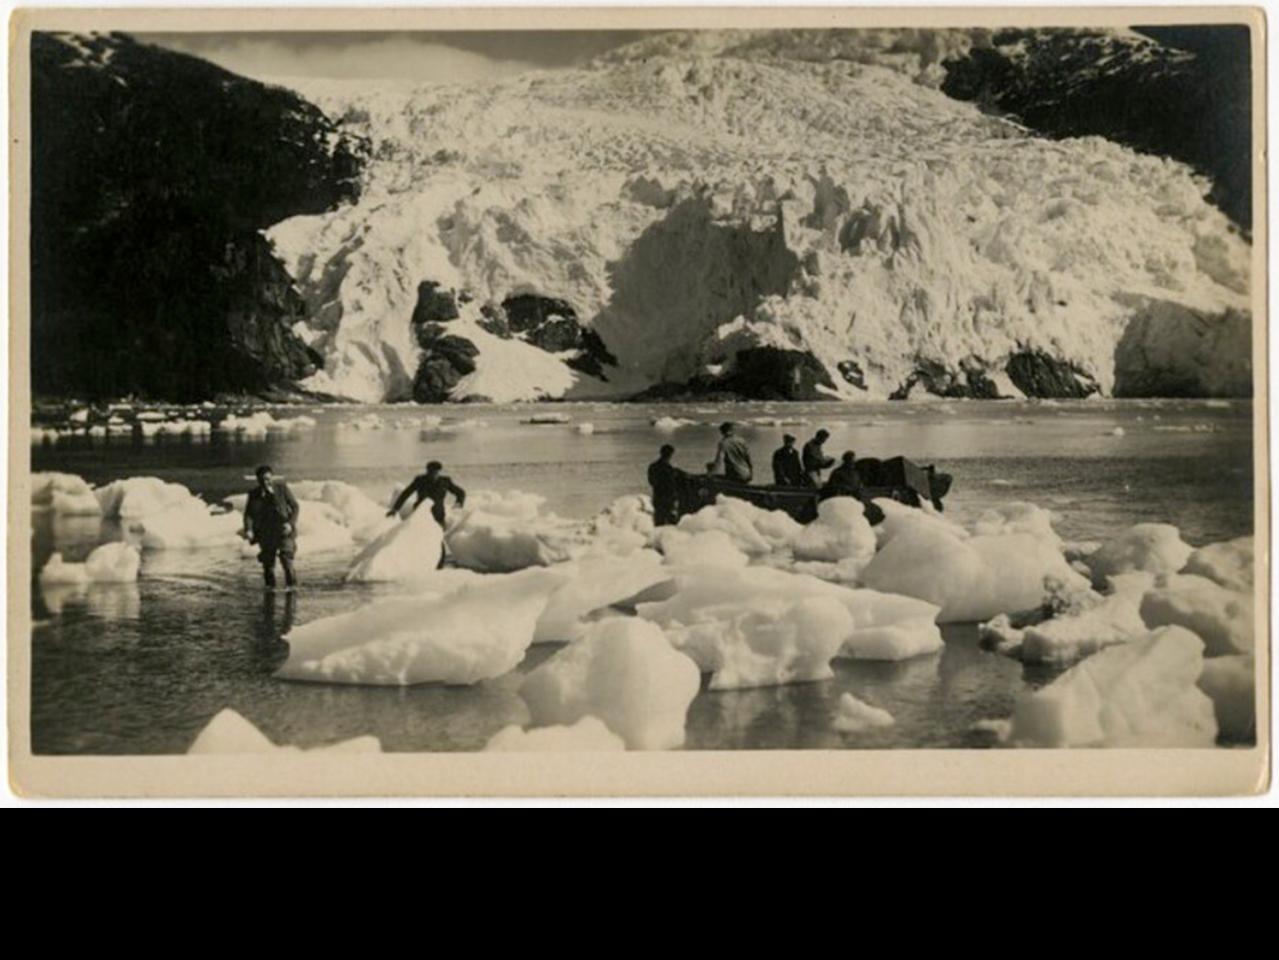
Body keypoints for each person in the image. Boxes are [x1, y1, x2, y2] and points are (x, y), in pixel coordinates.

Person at [243, 464, 300, 591]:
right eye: (262, 480)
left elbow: (295, 506)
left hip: (283, 530)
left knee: (286, 559)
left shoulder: (281, 489)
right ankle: (270, 590)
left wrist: (290, 524)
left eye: (268, 479)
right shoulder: (254, 494)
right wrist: (249, 529)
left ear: (272, 478)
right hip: (266, 532)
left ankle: (292, 588)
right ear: (258, 480)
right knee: (268, 564)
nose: (265, 482)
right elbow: (249, 514)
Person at [387, 461, 467, 528]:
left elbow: (461, 493)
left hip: (438, 516)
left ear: (439, 472)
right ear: (427, 471)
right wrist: (395, 509)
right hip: (420, 515)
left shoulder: (445, 481)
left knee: (439, 541)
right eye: (431, 472)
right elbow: (406, 494)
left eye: (436, 472)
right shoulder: (420, 481)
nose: (433, 475)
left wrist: (459, 503)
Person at [648, 444, 682, 527]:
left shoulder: (653, 467)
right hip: (668, 499)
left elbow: (651, 481)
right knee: (670, 524)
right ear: (670, 455)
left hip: (658, 497)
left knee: (658, 523)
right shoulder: (670, 469)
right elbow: (673, 485)